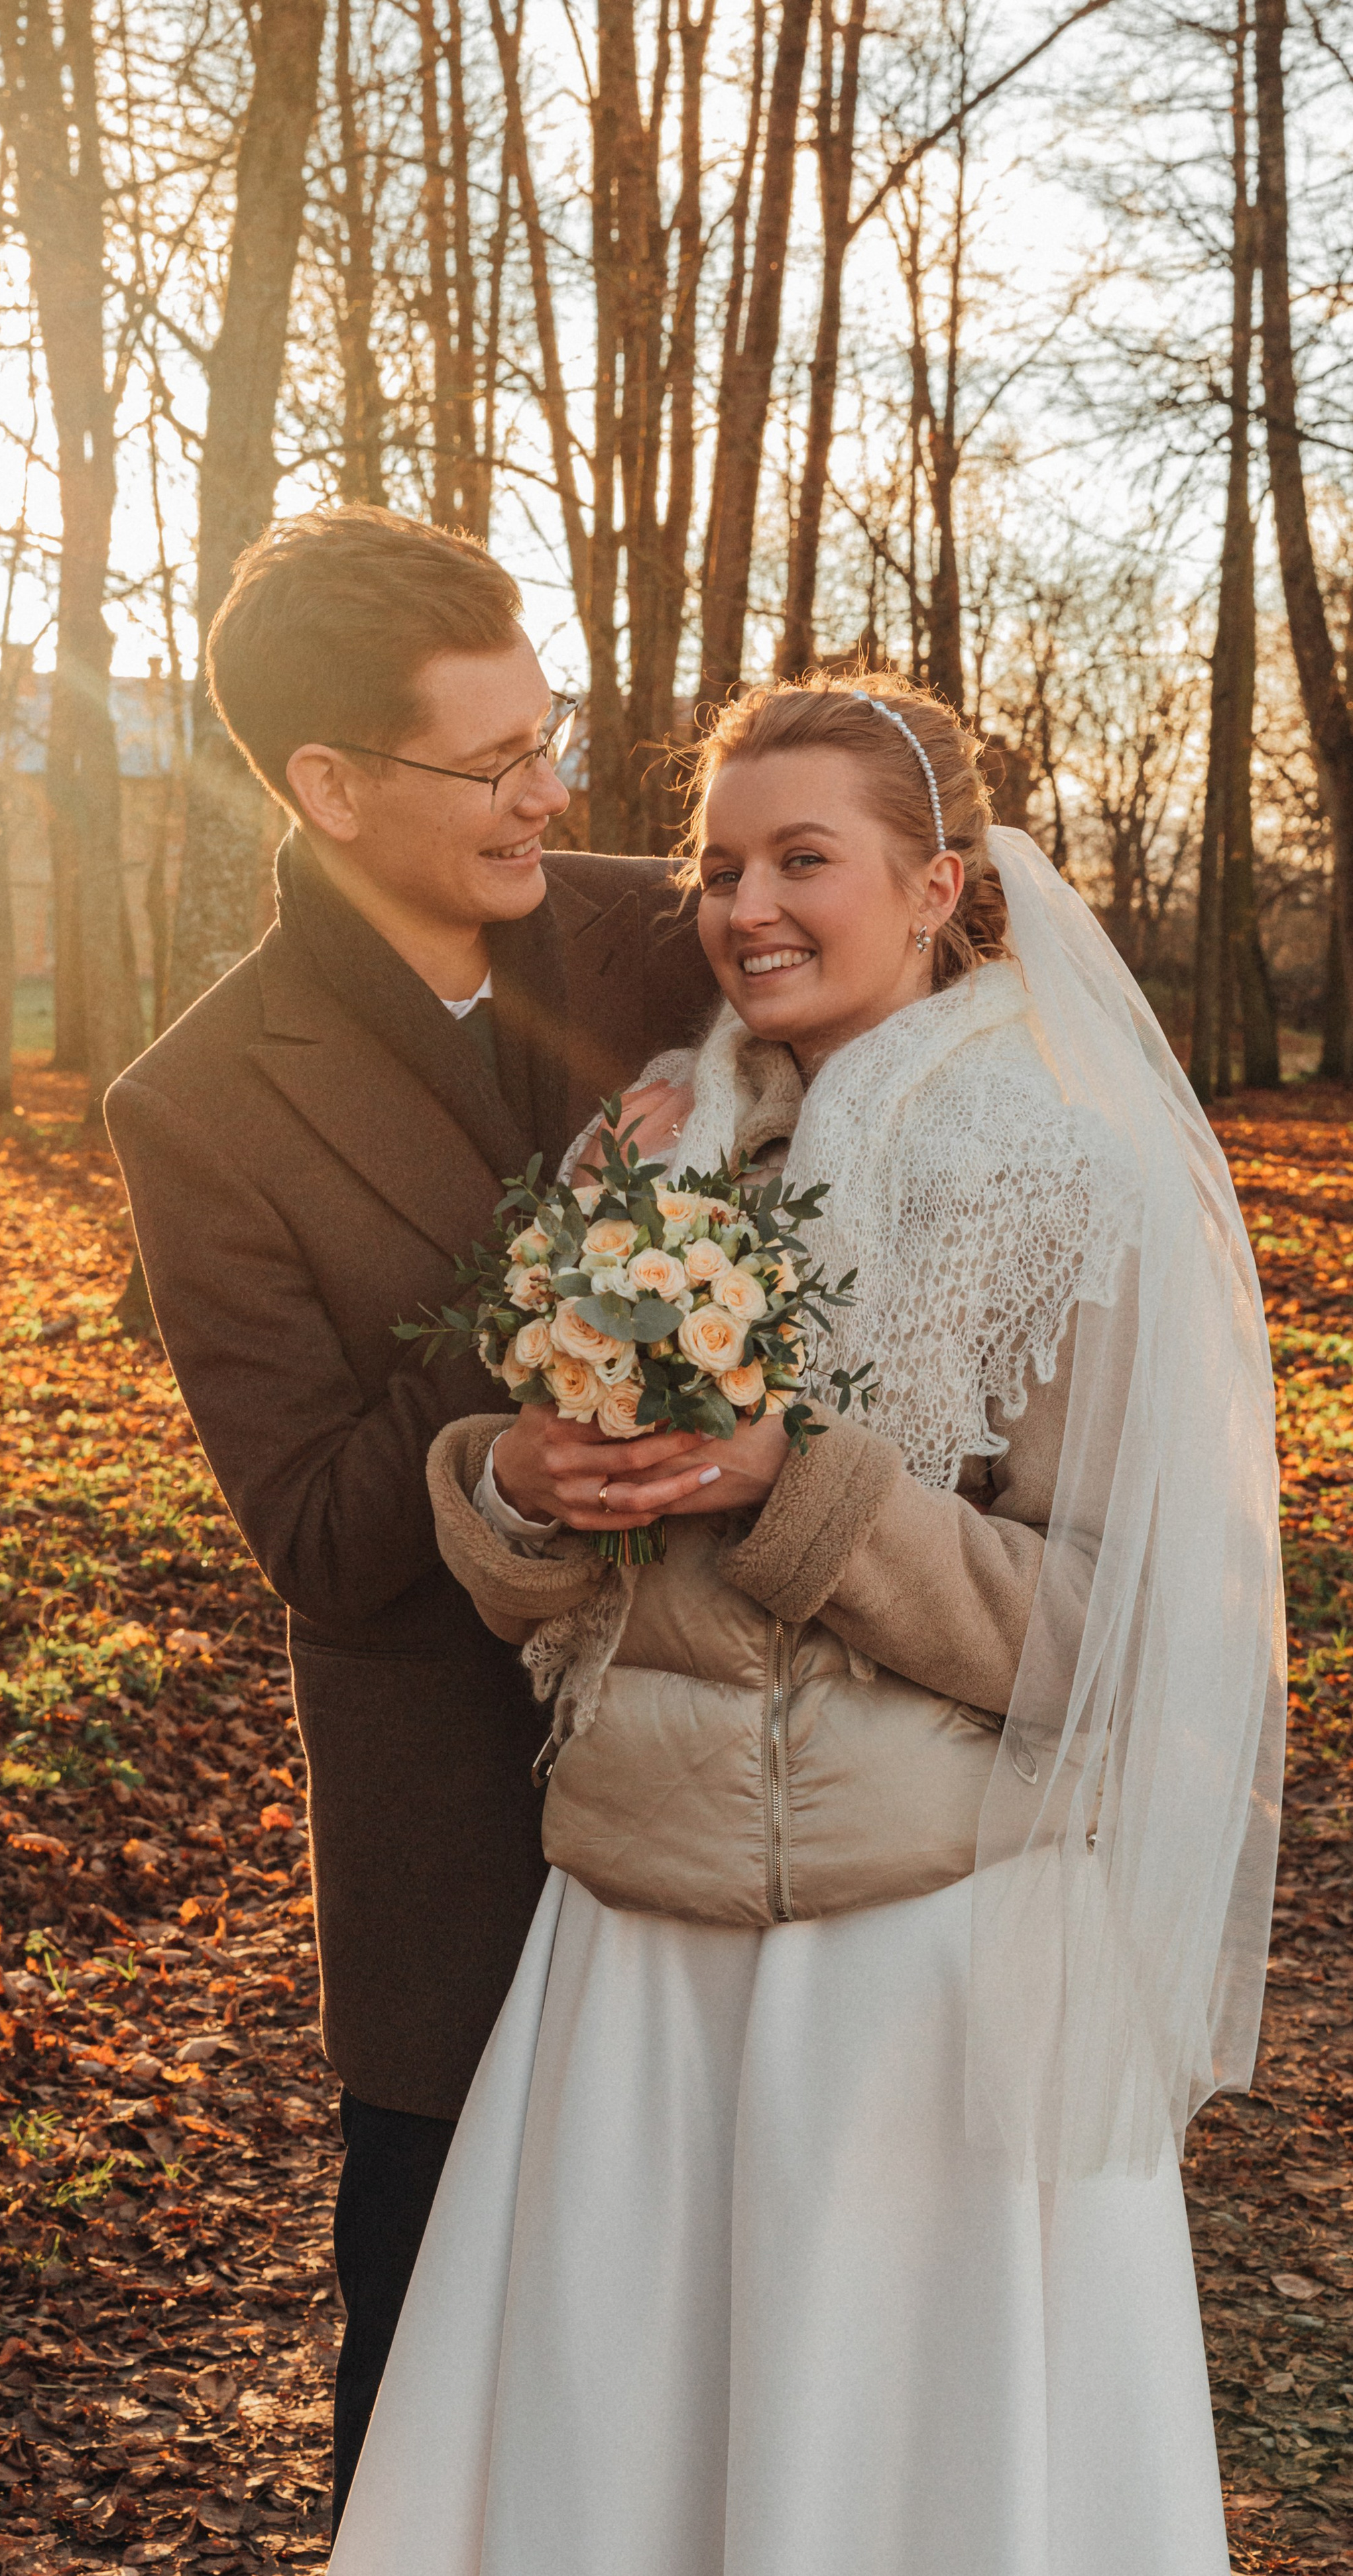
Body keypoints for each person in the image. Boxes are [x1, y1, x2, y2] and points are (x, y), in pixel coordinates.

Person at [327, 675, 1284, 2576]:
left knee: (894, 2497)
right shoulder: (656, 1158)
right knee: (621, 2490)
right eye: (718, 867)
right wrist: (522, 1486)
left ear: (941, 884)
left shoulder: (1073, 1184)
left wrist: (803, 1486)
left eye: (804, 859)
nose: (747, 905)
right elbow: (572, 1601)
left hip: (919, 1973)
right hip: (638, 1963)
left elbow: (1114, 1639)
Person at [105, 504, 717, 2521]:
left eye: (551, 736)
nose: (551, 789)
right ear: (330, 785)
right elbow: (315, 1529)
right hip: (463, 1867)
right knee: (436, 2427)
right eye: (493, 761)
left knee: (729, 2388)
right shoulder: (195, 1102)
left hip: (750, 1815)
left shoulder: (674, 933)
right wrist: (553, 1286)